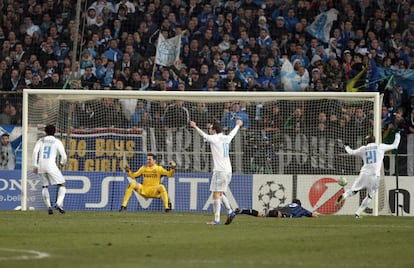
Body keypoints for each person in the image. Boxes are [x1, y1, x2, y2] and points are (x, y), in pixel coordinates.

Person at [190, 119, 243, 225]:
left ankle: (217, 220)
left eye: (210, 128)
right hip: (228, 170)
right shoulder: (226, 137)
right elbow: (233, 133)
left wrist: (195, 127)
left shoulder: (215, 138)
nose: (209, 129)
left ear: (214, 130)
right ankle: (230, 211)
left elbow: (204, 135)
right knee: (220, 193)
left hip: (220, 170)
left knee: (216, 194)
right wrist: (238, 125)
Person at [336, 133, 401, 218]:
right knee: (370, 196)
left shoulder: (363, 148)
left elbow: (351, 152)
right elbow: (395, 145)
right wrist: (397, 135)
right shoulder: (380, 146)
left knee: (353, 190)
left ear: (367, 141)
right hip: (374, 176)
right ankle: (357, 213)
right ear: (374, 140)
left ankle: (344, 195)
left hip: (364, 174)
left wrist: (346, 146)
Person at [32, 125, 67, 214]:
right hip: (51, 165)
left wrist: (35, 165)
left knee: (44, 186)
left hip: (40, 166)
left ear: (45, 132)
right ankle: (58, 204)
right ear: (54, 132)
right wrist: (62, 163)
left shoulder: (41, 140)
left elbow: (35, 152)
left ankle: (49, 206)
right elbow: (63, 155)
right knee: (62, 184)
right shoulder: (56, 141)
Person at [234, 199, 319, 219]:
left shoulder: (289, 204)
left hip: (281, 208)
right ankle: (270, 213)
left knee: (260, 214)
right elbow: (314, 215)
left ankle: (243, 210)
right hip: (287, 213)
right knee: (279, 215)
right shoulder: (301, 209)